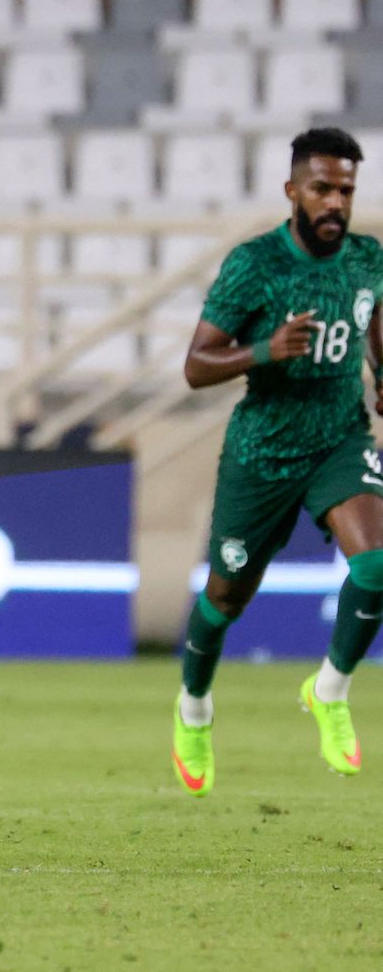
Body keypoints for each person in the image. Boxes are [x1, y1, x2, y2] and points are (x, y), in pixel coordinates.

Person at [172, 127, 383, 796]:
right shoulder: (254, 265)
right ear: (293, 190)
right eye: (322, 188)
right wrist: (266, 351)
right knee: (225, 596)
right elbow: (196, 366)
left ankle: (329, 690)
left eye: (345, 190)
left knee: (377, 567)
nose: (335, 203)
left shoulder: (367, 259)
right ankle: (194, 708)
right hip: (262, 451)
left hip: (339, 440)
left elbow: (374, 330)